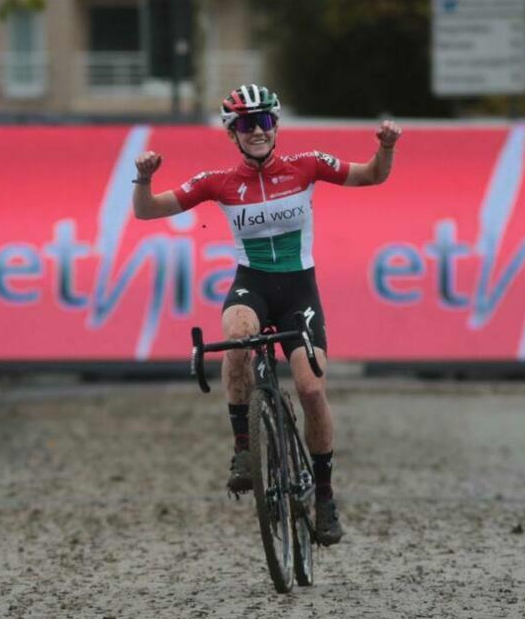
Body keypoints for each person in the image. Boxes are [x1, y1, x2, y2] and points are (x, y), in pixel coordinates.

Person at [132, 84, 401, 546]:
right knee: (235, 338)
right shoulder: (218, 181)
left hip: (299, 289)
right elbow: (147, 212)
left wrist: (386, 146)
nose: (255, 130)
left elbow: (372, 176)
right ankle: (242, 449)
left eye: (263, 121)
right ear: (231, 133)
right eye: (244, 124)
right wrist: (144, 179)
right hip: (251, 283)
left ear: (276, 125)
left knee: (311, 389)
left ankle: (323, 495)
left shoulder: (307, 165)